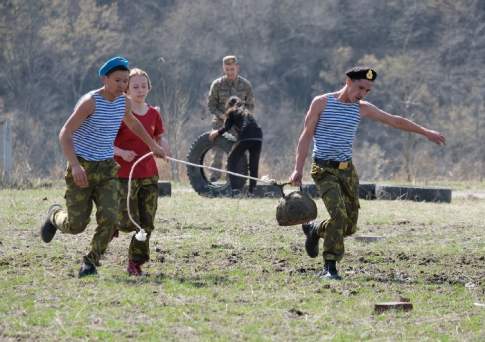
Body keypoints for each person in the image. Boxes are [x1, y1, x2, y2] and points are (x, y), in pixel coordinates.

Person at [289, 66, 445, 280]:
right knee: (339, 216)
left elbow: (394, 120)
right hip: (324, 169)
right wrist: (298, 168)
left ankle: (316, 230)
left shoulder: (362, 108)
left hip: (347, 171)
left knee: (350, 226)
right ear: (348, 81)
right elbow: (305, 136)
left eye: (367, 90)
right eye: (360, 87)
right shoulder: (322, 102)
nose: (362, 93)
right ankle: (330, 266)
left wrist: (425, 132)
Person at [39, 56, 166, 278]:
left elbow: (133, 123)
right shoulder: (90, 102)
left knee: (110, 218)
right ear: (105, 79)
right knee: (76, 224)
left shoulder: (123, 102)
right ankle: (55, 215)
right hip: (83, 166)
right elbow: (65, 134)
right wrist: (75, 166)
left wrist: (153, 144)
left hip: (107, 168)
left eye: (126, 81)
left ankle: (90, 262)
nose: (123, 86)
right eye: (118, 80)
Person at [113, 67, 170, 276]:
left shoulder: (154, 113)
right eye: (135, 86)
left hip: (148, 174)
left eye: (143, 86)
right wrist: (120, 152)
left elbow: (159, 138)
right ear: (126, 89)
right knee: (127, 220)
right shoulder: (119, 112)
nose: (140, 90)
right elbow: (104, 143)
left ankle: (135, 262)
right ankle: (113, 225)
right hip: (123, 176)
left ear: (149, 88)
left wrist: (164, 147)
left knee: (146, 223)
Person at [207, 55, 255, 182]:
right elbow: (211, 106)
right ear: (223, 68)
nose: (230, 72)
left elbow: (250, 106)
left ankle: (232, 181)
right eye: (227, 69)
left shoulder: (245, 85)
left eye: (232, 69)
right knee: (217, 153)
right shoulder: (217, 85)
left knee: (236, 154)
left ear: (237, 68)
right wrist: (224, 117)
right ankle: (214, 180)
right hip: (220, 123)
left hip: (238, 125)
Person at [208, 96, 262, 194]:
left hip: (247, 135)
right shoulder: (246, 111)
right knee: (254, 165)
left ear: (229, 105)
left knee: (232, 159)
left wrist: (216, 133)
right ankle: (252, 191)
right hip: (258, 136)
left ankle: (234, 189)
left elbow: (226, 127)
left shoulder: (232, 111)